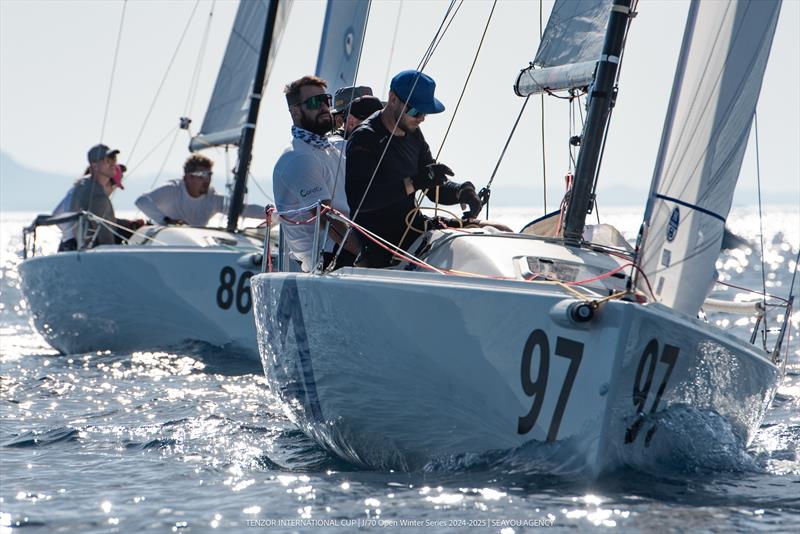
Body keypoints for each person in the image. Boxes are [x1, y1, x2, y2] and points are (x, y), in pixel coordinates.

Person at [345, 70, 482, 267]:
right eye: (415, 111)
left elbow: (433, 186)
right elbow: (360, 200)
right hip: (382, 245)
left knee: (496, 229)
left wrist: (461, 192)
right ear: (392, 99)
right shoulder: (365, 137)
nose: (421, 118)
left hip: (415, 230)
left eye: (425, 112)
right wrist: (413, 182)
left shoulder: (414, 134)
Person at [272, 75, 361, 271]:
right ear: (295, 111)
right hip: (328, 257)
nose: (323, 106)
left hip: (346, 245)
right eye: (314, 102)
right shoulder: (298, 157)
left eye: (325, 100)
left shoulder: (331, 150)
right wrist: (365, 255)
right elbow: (327, 218)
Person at [135, 154, 264, 226]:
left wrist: (274, 214)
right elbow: (141, 201)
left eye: (209, 175)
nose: (207, 180)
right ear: (188, 177)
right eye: (202, 175)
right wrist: (167, 220)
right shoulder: (172, 190)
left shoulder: (211, 199)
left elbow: (244, 209)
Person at [64, 144, 124, 249]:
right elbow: (105, 237)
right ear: (94, 165)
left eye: (114, 159)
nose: (113, 163)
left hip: (79, 250)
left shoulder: (85, 184)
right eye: (107, 160)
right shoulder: (94, 193)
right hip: (90, 254)